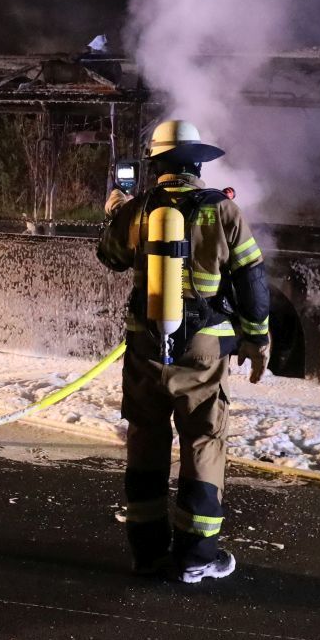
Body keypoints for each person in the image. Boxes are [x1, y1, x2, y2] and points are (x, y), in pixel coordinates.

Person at [97, 119, 269, 583]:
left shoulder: (139, 210)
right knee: (203, 441)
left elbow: (109, 256)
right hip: (203, 348)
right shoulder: (223, 212)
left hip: (144, 347)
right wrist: (258, 338)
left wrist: (115, 212)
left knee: (146, 439)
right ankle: (196, 556)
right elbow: (251, 280)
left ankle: (147, 552)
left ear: (157, 166)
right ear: (196, 163)